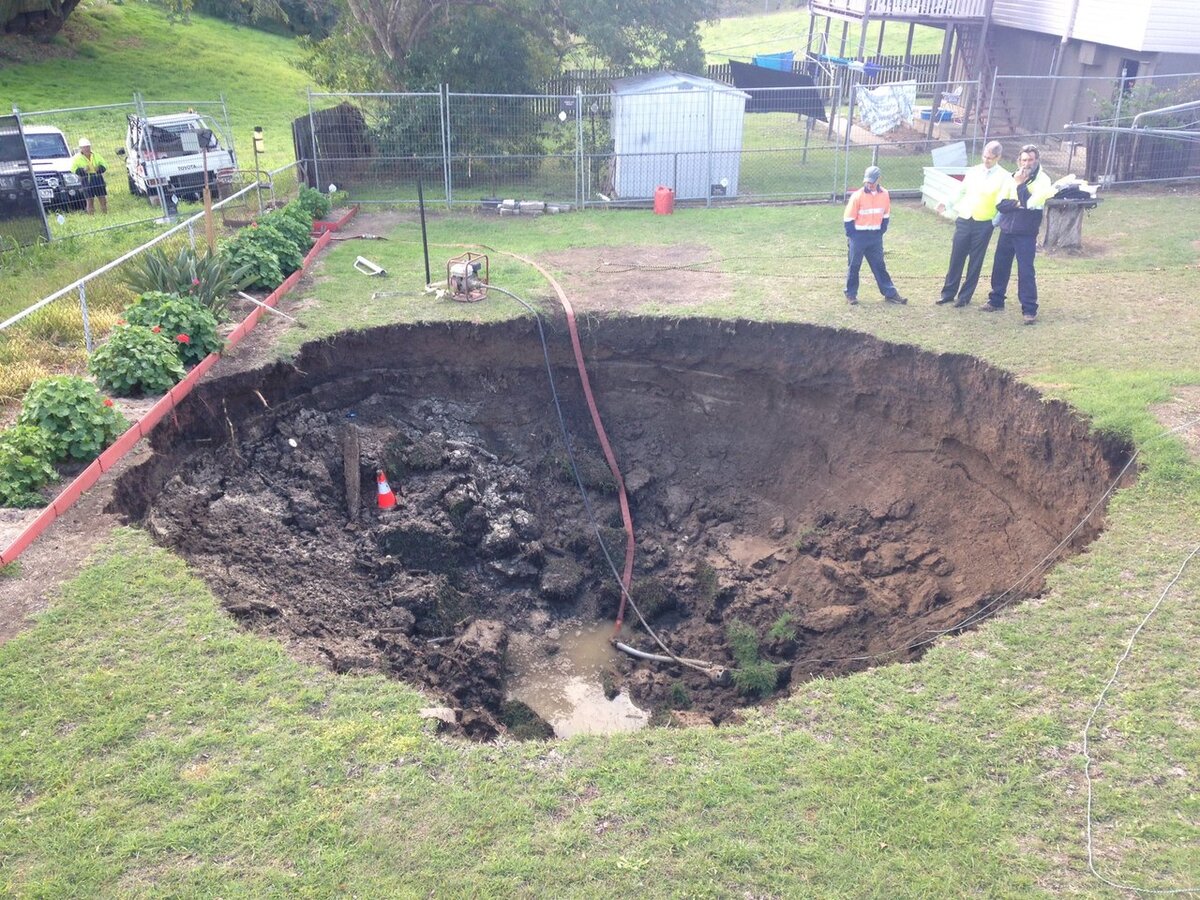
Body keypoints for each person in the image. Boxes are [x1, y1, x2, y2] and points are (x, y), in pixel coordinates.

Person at [983, 144, 1054, 324]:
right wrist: (1017, 203)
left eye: (1030, 160)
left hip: (1026, 233)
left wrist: (1021, 186)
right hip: (1007, 229)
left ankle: (1029, 309)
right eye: (1024, 160)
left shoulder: (1043, 180)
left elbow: (1030, 204)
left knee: (1026, 271)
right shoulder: (1010, 178)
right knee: (1000, 266)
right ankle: (996, 300)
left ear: (1036, 160)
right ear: (1018, 161)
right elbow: (1000, 204)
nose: (1026, 163)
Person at [936, 140, 1007, 307]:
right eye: (984, 156)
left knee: (975, 260)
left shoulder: (1004, 176)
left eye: (990, 158)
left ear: (998, 157)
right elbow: (961, 190)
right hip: (965, 218)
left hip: (984, 222)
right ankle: (948, 293)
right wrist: (947, 203)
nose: (986, 160)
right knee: (956, 257)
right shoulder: (974, 171)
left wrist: (994, 222)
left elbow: (1003, 201)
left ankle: (964, 296)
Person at [843, 165, 906, 306]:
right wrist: (853, 236)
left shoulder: (885, 194)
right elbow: (848, 219)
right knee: (854, 265)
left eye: (872, 181)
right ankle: (850, 294)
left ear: (879, 179)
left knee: (879, 265)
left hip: (875, 237)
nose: (869, 184)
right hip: (858, 237)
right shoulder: (857, 196)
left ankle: (890, 293)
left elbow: (886, 214)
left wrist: (880, 231)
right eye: (867, 181)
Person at [69, 138, 108, 215]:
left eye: (88, 147)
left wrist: (99, 168)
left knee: (103, 199)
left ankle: (105, 215)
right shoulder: (77, 158)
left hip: (97, 178)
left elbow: (105, 165)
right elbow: (73, 169)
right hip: (86, 180)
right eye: (84, 147)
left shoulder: (96, 155)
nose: (86, 149)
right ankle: (91, 217)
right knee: (89, 201)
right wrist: (83, 170)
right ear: (81, 148)